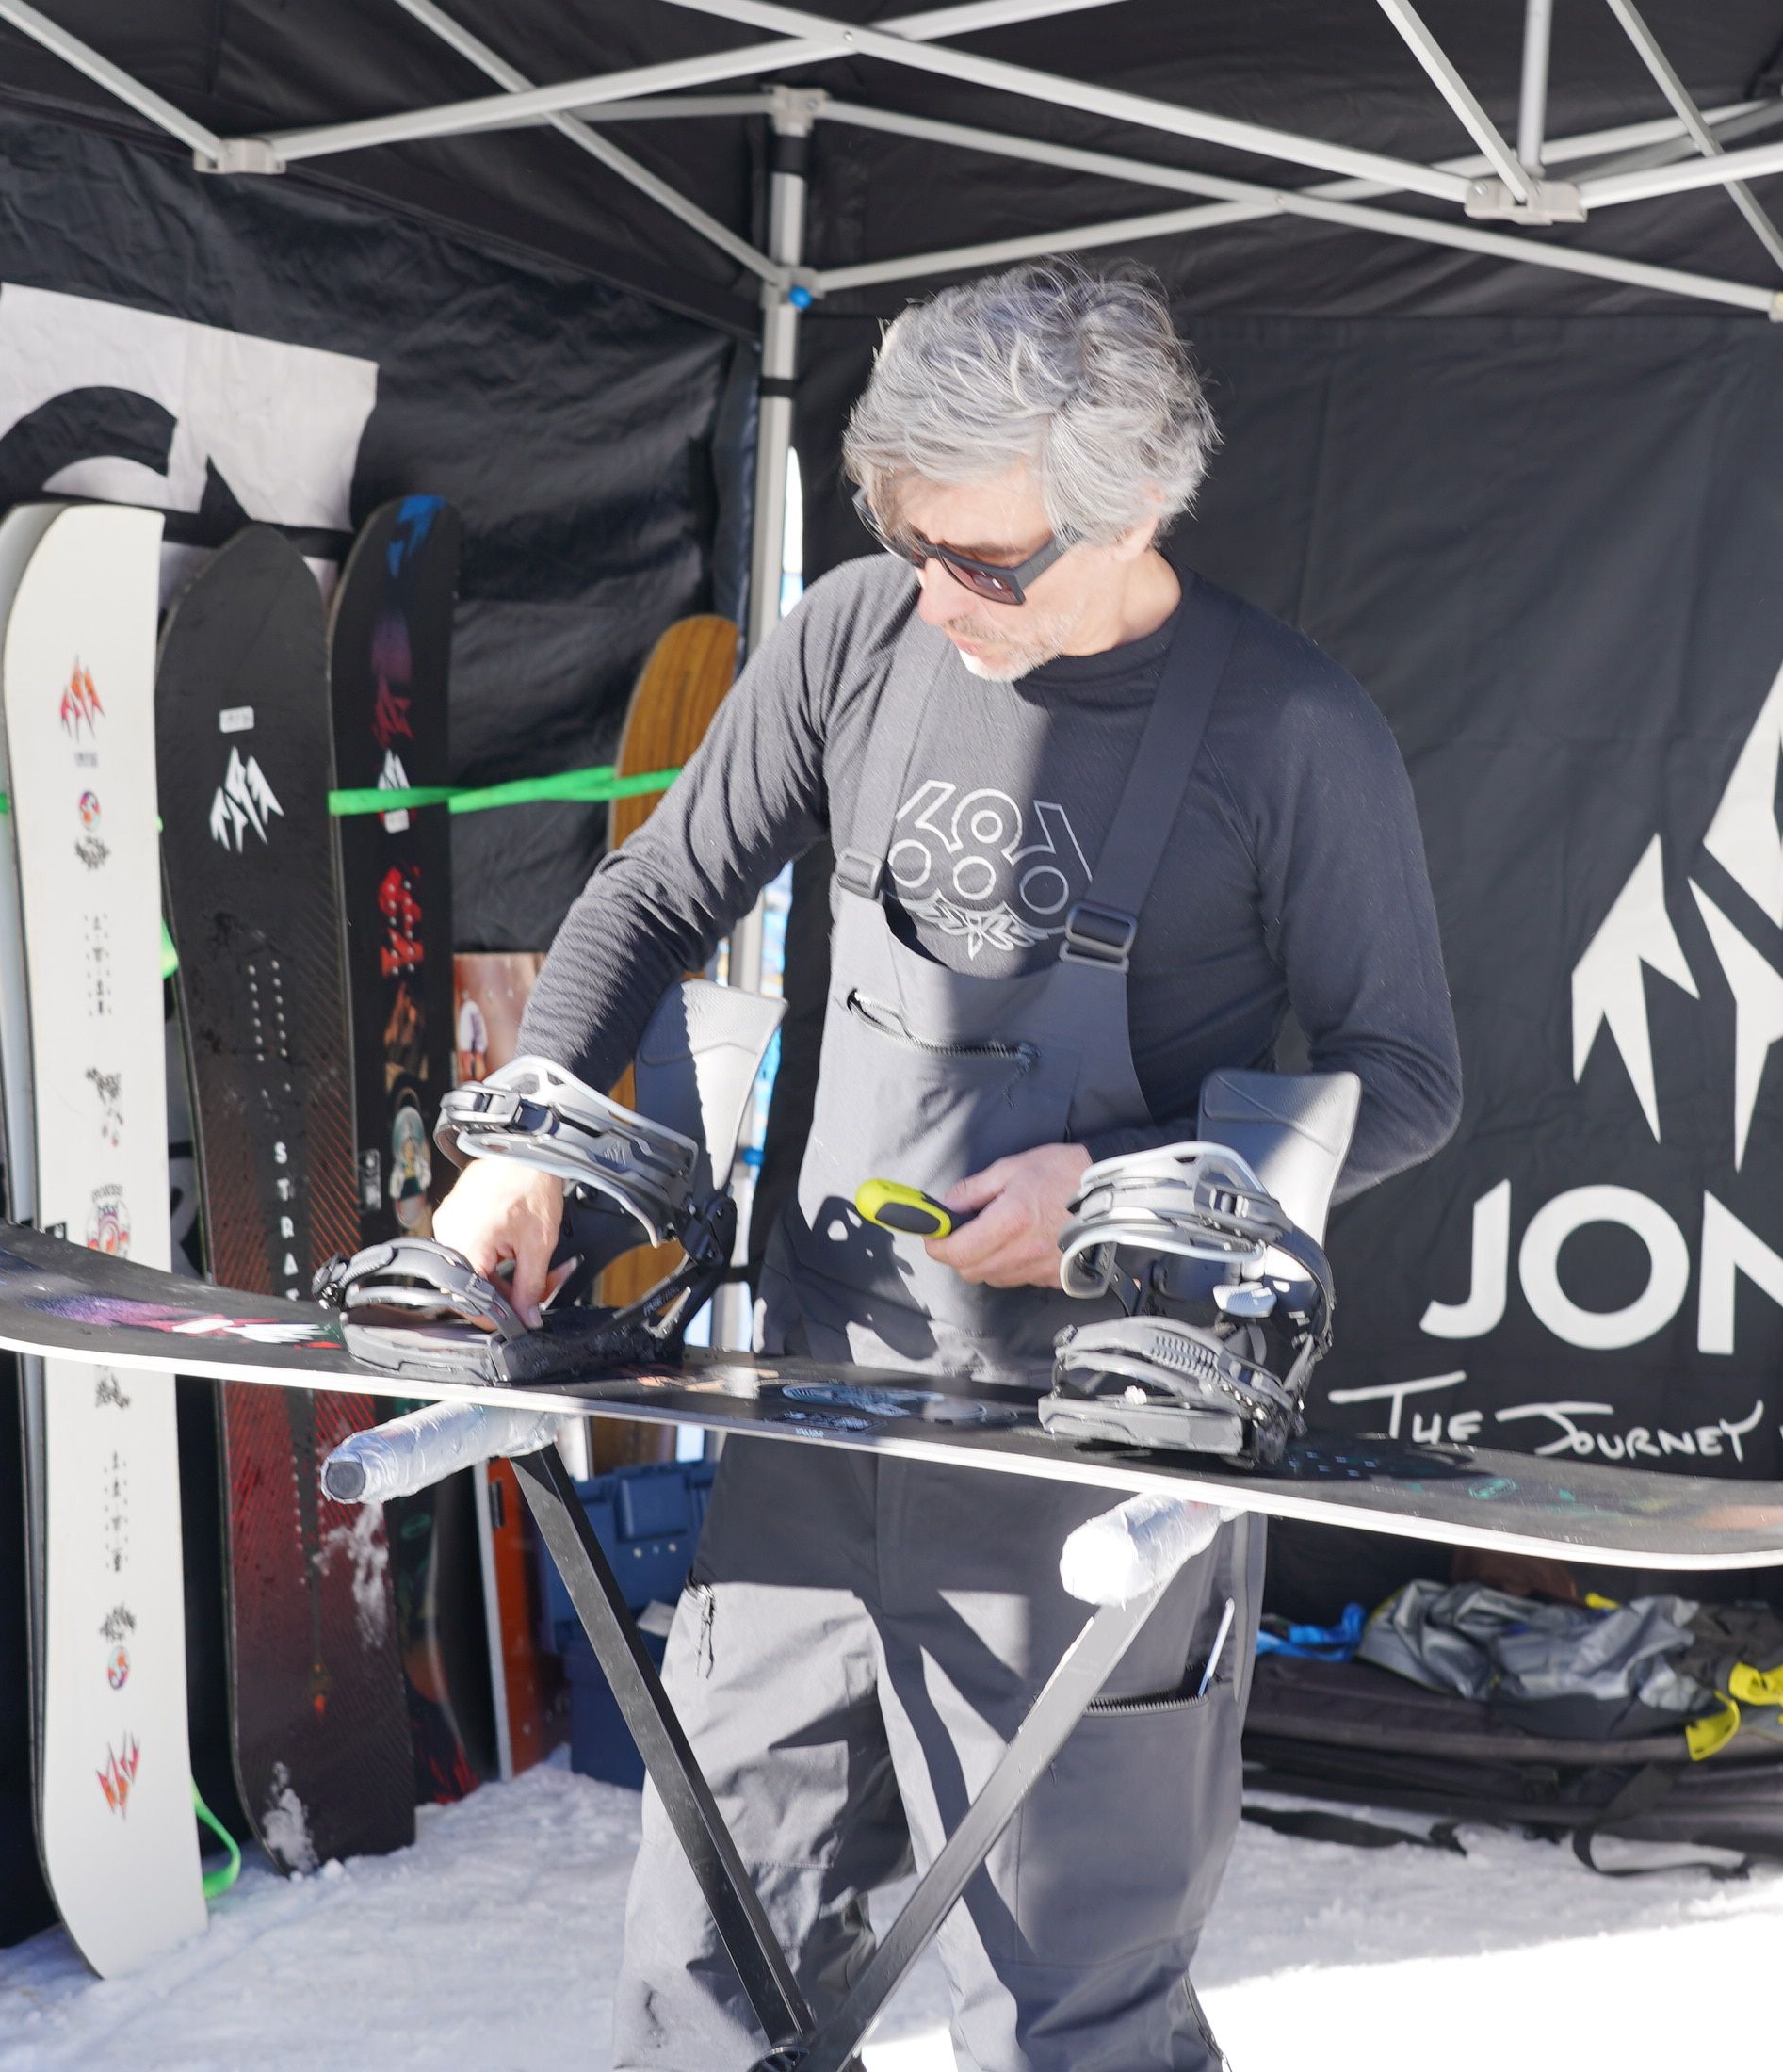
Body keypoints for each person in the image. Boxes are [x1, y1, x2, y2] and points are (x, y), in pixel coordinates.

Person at [437, 259, 1462, 2072]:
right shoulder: (853, 637)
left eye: (987, 562)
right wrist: (530, 1135)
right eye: (914, 543)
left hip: (1102, 1463)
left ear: (1134, 503)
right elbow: (655, 896)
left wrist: (1128, 1187)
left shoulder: (1295, 734)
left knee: (1072, 2018)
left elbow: (1404, 1081)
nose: (945, 596)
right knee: (700, 1981)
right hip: (815, 1416)